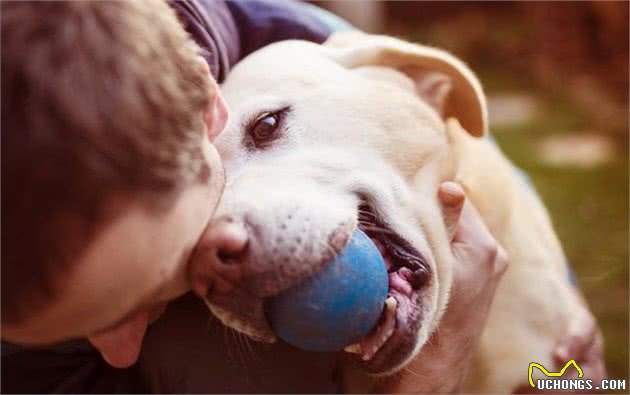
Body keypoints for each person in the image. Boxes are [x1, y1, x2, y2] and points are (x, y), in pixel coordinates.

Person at [0, 1, 603, 393]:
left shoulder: (305, 47)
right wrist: (432, 379)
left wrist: (575, 378)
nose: (227, 239)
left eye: (265, 130)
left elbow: (564, 365)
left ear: (206, 108)